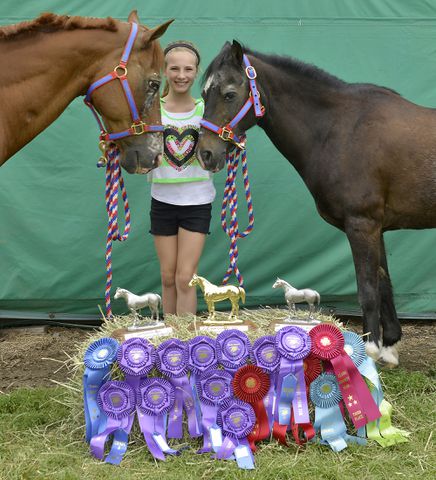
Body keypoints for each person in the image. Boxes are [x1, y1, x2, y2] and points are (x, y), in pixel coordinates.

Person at [148, 41, 215, 316]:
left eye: (188, 69)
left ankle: (185, 342)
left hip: (197, 202)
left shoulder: (206, 111)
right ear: (164, 70)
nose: (181, 75)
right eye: (174, 68)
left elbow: (220, 150)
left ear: (197, 72)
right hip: (162, 201)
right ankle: (169, 343)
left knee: (185, 278)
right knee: (167, 276)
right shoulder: (152, 109)